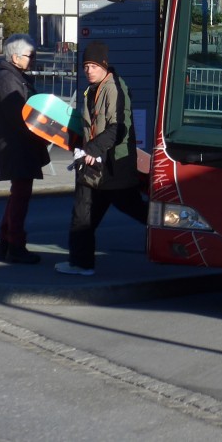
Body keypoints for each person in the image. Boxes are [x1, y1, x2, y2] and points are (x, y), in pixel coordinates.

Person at [55, 41, 147, 277]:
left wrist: (91, 150)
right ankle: (81, 263)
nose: (88, 70)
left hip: (112, 167)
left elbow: (119, 129)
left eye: (93, 65)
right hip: (95, 166)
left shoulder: (114, 88)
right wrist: (80, 146)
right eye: (85, 65)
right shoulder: (94, 89)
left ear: (104, 65)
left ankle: (171, 236)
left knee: (133, 209)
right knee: (83, 215)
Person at [0, 32, 49, 265]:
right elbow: (20, 116)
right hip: (16, 146)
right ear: (15, 57)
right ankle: (15, 246)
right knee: (20, 196)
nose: (32, 59)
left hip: (20, 145)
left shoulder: (15, 76)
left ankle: (6, 242)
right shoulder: (8, 79)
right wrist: (44, 134)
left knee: (18, 194)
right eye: (29, 55)